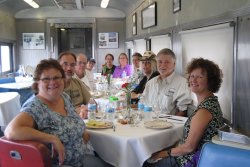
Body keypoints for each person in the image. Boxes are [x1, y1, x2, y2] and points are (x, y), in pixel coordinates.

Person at [4, 58, 111, 167]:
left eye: (56, 77)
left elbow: (70, 120)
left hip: (81, 159)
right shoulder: (35, 106)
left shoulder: (64, 97)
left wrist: (82, 134)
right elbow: (11, 131)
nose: (53, 82)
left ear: (63, 79)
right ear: (37, 83)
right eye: (46, 79)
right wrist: (52, 138)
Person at [144, 58, 224, 167]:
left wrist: (162, 154)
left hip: (189, 161)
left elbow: (189, 148)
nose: (193, 80)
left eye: (199, 77)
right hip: (196, 156)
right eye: (192, 76)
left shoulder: (204, 111)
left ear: (210, 81)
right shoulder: (211, 102)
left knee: (144, 162)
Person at [142, 48, 192, 116]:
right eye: (160, 62)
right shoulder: (150, 83)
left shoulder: (182, 83)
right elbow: (143, 105)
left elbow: (182, 111)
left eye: (167, 62)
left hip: (170, 124)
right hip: (148, 122)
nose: (163, 65)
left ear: (174, 64)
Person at [58, 51, 90, 118]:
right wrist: (75, 111)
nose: (69, 68)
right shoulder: (54, 87)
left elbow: (91, 101)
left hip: (82, 119)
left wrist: (86, 108)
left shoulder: (77, 82)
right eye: (65, 64)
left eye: (72, 65)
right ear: (58, 66)